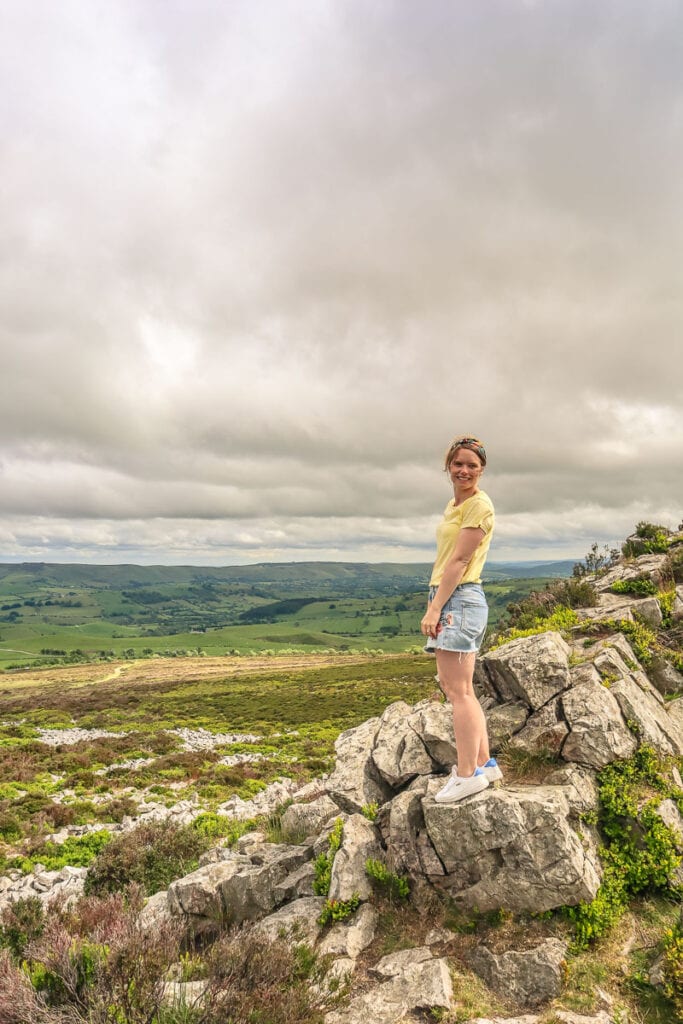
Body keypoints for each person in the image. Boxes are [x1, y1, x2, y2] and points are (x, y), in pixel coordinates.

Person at [420, 436, 502, 803]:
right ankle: (485, 765)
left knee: (458, 692)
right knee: (463, 690)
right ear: (448, 467)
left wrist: (435, 608)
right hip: (458, 598)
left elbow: (459, 562)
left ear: (482, 469)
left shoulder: (479, 505)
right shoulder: (456, 504)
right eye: (458, 464)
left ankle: (467, 775)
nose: (464, 470)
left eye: (472, 464)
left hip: (458, 598)